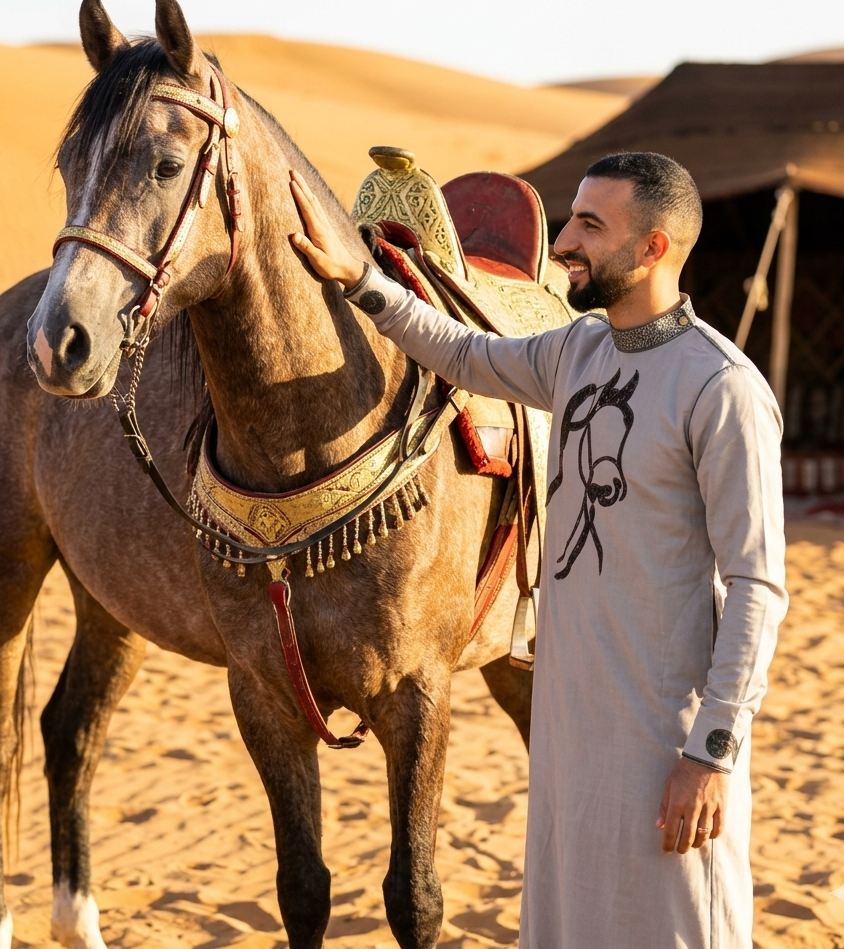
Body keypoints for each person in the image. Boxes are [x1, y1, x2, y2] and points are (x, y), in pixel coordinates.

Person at [290, 152, 787, 948]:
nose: (563, 245)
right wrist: (361, 281)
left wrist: (713, 751)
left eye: (591, 225)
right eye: (570, 220)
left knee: (677, 923)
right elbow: (459, 352)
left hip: (670, 732)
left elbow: (757, 586)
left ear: (655, 247)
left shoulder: (720, 386)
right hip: (568, 719)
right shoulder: (577, 351)